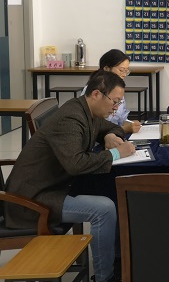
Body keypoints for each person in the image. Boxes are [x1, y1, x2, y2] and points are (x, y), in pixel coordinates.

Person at [5, 71, 136, 282]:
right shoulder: (71, 118)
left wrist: (111, 135)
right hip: (32, 199)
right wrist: (115, 153)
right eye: (115, 101)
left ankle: (119, 258)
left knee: (112, 190)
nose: (116, 108)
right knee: (104, 209)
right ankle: (105, 277)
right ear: (96, 94)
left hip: (56, 185)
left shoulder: (87, 110)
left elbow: (110, 127)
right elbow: (76, 164)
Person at [81, 49, 142, 134]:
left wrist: (131, 124)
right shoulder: (94, 91)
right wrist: (123, 129)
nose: (124, 74)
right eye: (121, 70)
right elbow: (95, 128)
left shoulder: (117, 90)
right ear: (106, 68)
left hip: (115, 133)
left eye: (126, 71)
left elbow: (121, 118)